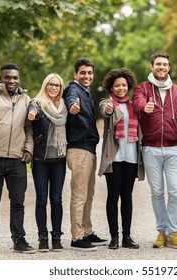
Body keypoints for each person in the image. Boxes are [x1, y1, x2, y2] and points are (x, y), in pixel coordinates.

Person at [0, 63, 35, 256]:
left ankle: (19, 240)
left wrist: (29, 148)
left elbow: (29, 128)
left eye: (15, 77)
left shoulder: (26, 99)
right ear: (1, 78)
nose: (12, 80)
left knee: (18, 202)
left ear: (19, 79)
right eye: (7, 77)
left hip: (17, 159)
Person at [133, 51, 177, 249]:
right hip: (151, 148)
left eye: (165, 64)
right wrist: (143, 108)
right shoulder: (142, 89)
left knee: (175, 192)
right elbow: (137, 103)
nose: (162, 67)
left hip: (173, 149)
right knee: (157, 192)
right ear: (152, 66)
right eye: (158, 64)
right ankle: (161, 232)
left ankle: (173, 232)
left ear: (169, 67)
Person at [63, 57, 107, 251]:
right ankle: (77, 237)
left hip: (88, 148)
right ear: (75, 74)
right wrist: (72, 108)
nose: (87, 76)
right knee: (79, 195)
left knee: (88, 194)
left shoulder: (86, 92)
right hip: (79, 148)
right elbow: (71, 101)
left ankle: (87, 231)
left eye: (90, 73)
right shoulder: (74, 90)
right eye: (83, 73)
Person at [98, 68, 145, 250]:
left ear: (129, 86)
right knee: (113, 196)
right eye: (117, 85)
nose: (120, 88)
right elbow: (105, 110)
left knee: (127, 197)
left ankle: (127, 236)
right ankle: (114, 237)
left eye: (124, 85)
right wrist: (109, 109)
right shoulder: (107, 102)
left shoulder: (134, 105)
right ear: (111, 87)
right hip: (115, 157)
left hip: (131, 157)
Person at [27, 73, 67, 252]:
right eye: (51, 84)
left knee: (57, 200)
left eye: (57, 85)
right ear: (45, 85)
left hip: (59, 159)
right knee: (41, 200)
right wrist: (32, 116)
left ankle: (56, 237)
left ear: (61, 88)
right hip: (41, 159)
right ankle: (43, 238)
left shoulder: (64, 107)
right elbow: (32, 117)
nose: (53, 88)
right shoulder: (36, 104)